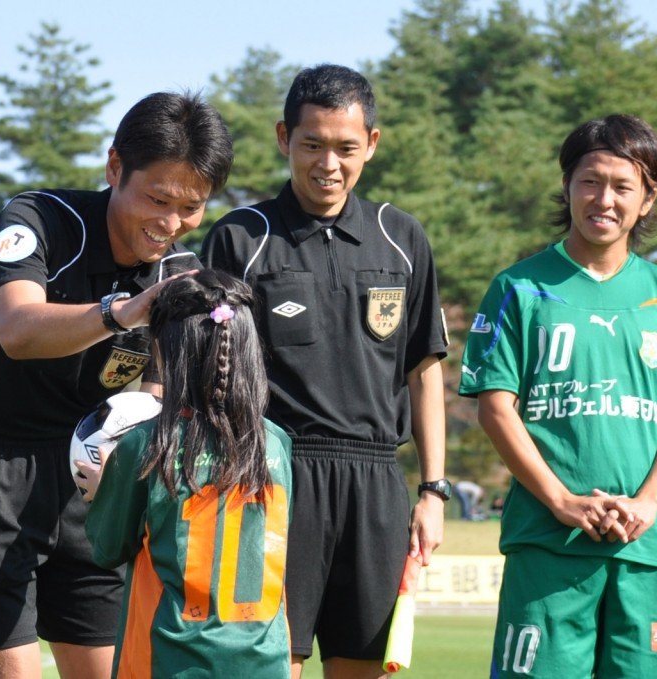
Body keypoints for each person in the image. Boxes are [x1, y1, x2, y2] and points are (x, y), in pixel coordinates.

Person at [0, 91, 233, 679]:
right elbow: (16, 329)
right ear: (115, 167)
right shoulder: (37, 220)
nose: (170, 224)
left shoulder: (178, 271)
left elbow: (155, 396)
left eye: (191, 207)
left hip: (91, 479)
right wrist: (123, 311)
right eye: (157, 199)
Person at [202, 64, 448, 679]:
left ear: (372, 144)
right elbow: (211, 376)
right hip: (272, 478)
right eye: (312, 145)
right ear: (284, 138)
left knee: (364, 666)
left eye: (346, 147)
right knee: (269, 665)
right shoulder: (241, 238)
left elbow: (424, 371)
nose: (328, 164)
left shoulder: (402, 237)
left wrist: (433, 491)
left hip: (376, 484)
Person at [459, 114, 657, 677]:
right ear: (567, 185)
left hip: (645, 548)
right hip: (548, 542)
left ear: (647, 199)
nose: (604, 199)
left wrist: (648, 503)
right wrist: (561, 500)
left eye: (623, 186)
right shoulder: (517, 288)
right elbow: (496, 409)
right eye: (590, 181)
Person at [76, 270, 294, 678]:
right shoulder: (276, 443)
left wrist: (105, 489)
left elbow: (107, 548)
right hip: (264, 662)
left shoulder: (146, 444)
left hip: (168, 660)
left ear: (166, 352)